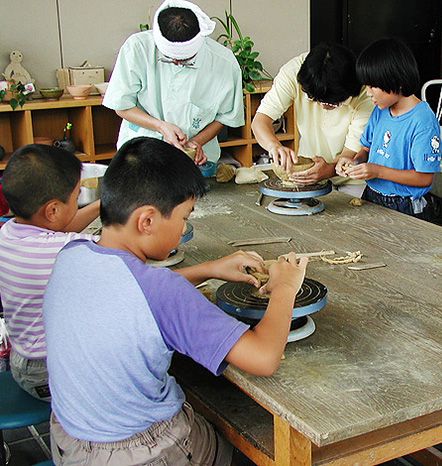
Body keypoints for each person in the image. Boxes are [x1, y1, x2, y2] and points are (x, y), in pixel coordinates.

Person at [43, 137, 308, 465]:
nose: (184, 228)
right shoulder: (162, 292)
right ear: (147, 221)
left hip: (71, 440)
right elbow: (265, 358)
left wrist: (209, 269)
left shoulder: (71, 254)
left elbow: (133, 300)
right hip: (141, 451)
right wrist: (285, 287)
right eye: (184, 217)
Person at [0, 144, 100, 401]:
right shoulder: (66, 250)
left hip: (23, 359)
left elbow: (57, 229)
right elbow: (122, 251)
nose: (78, 202)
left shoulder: (8, 233)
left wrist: (104, 203)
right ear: (53, 210)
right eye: (77, 197)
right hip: (47, 372)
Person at [103, 0, 244, 165]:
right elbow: (122, 106)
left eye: (186, 60)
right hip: (141, 154)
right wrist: (160, 126)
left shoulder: (224, 63)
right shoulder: (137, 48)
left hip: (194, 160)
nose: (177, 64)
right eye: (170, 59)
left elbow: (225, 116)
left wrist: (197, 142)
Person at [334, 38, 441, 218]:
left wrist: (377, 171)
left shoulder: (422, 121)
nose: (368, 93)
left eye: (373, 86)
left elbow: (424, 178)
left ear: (397, 81)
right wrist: (355, 162)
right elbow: (366, 149)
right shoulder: (380, 110)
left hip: (404, 204)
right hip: (372, 195)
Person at [252, 43, 374, 196]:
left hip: (353, 178)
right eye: (314, 99)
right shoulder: (294, 72)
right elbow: (261, 120)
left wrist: (328, 170)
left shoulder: (366, 92)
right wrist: (273, 146)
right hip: (308, 172)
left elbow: (352, 152)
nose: (323, 107)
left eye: (332, 104)